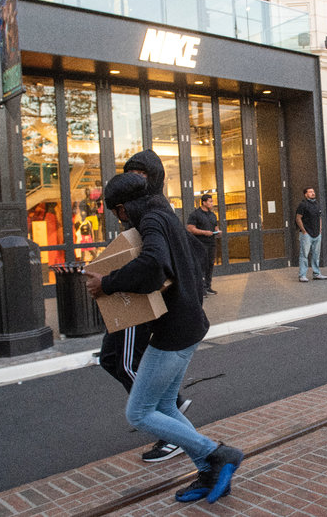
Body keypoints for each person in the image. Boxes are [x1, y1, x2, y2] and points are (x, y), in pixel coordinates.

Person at [85, 173, 243, 504]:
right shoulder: (164, 213)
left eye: (116, 212)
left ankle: (217, 453)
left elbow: (152, 264)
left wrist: (108, 283)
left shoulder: (152, 221)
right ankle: (210, 470)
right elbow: (198, 253)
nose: (118, 219)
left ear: (123, 208)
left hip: (174, 331)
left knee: (139, 412)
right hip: (187, 324)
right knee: (164, 405)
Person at [98, 149, 193, 463]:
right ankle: (203, 448)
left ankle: (172, 427)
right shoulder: (148, 213)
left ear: (154, 179)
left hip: (146, 303)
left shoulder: (153, 214)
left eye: (140, 176)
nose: (134, 182)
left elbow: (154, 265)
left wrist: (106, 282)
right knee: (113, 359)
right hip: (147, 303)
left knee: (127, 370)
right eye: (130, 175)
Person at [187, 194, 221, 295]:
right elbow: (190, 228)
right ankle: (200, 289)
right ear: (204, 202)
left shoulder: (212, 215)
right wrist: (204, 232)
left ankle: (208, 286)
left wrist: (217, 231)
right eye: (210, 201)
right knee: (201, 265)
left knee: (210, 265)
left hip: (211, 243)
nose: (212, 203)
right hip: (200, 243)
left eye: (212, 201)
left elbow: (215, 226)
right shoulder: (195, 214)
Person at [295, 187, 327, 282]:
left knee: (316, 255)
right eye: (310, 192)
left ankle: (316, 273)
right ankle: (302, 275)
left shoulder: (317, 204)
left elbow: (319, 217)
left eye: (313, 191)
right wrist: (304, 231)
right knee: (304, 255)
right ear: (305, 194)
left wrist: (320, 228)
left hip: (317, 233)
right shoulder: (303, 205)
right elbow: (298, 218)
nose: (313, 193)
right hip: (307, 234)